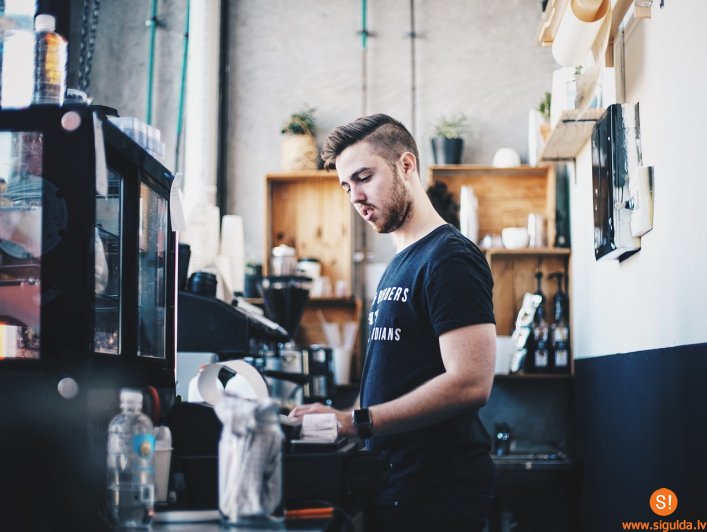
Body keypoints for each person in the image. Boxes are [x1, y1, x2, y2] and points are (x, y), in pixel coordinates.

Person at [289, 114, 496, 532]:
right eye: (346, 186)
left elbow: (471, 383)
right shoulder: (400, 263)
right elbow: (394, 378)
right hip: (397, 486)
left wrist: (356, 422)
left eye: (364, 177)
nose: (356, 197)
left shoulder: (449, 257)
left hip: (438, 497)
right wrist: (343, 418)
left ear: (406, 165)